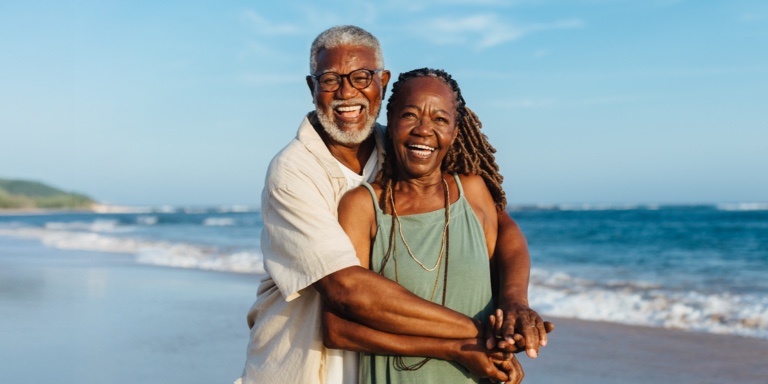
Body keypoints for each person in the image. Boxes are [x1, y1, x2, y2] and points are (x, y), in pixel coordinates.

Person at [237, 25, 549, 384]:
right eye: (330, 80)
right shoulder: (293, 171)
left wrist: (514, 302)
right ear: (312, 88)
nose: (346, 92)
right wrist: (481, 334)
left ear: (381, 84)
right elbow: (347, 289)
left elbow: (497, 220)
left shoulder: (402, 145)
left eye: (361, 77)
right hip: (301, 365)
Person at [323, 68, 542, 383]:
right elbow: (338, 330)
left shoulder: (473, 191)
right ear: (390, 121)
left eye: (440, 119)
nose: (423, 131)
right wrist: (454, 348)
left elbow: (509, 236)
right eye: (410, 116)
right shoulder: (363, 207)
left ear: (454, 131)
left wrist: (514, 313)